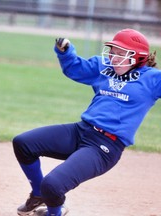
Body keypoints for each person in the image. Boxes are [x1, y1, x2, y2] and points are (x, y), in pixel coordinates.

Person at [12, 28, 158, 216]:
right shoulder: (103, 67)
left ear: (138, 57)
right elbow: (75, 68)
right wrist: (65, 52)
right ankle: (39, 195)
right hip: (81, 131)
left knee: (53, 185)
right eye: (113, 52)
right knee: (24, 143)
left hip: (105, 146)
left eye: (121, 53)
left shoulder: (153, 79)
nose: (114, 57)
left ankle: (54, 212)